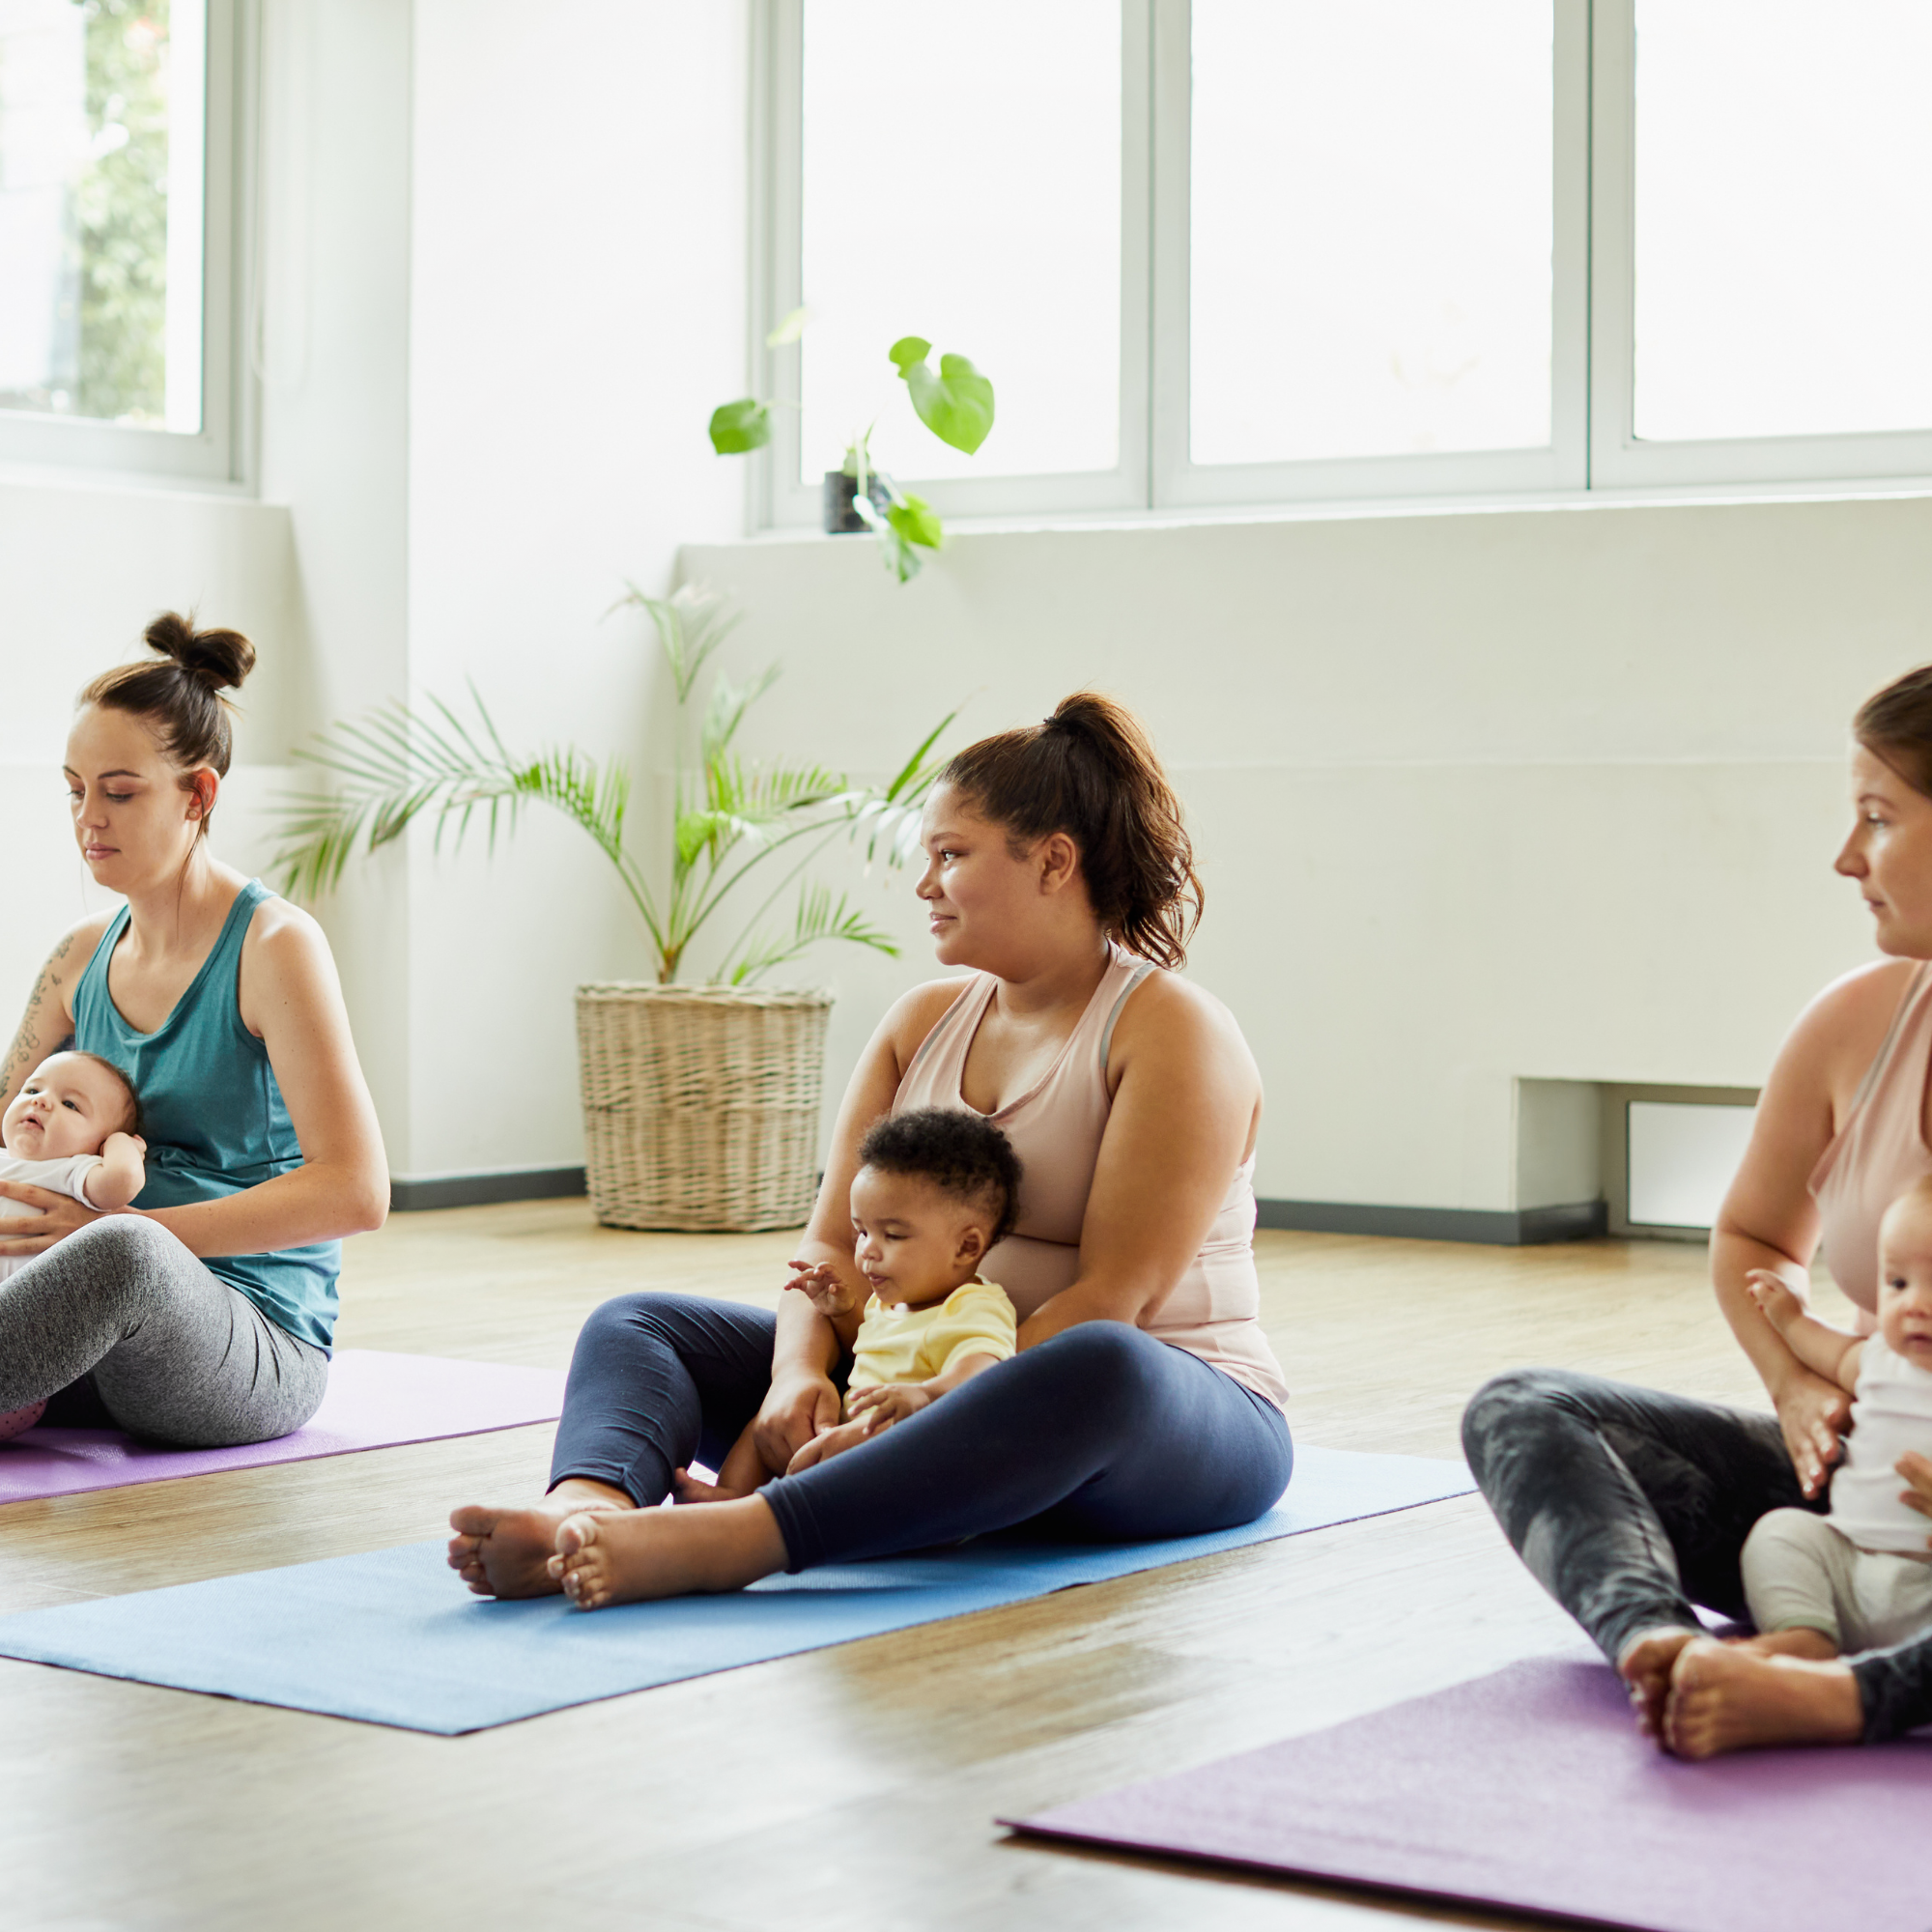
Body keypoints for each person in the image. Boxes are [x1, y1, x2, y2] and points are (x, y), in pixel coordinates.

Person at [450, 691, 1293, 1606]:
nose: (925, 884)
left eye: (951, 855)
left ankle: (737, 1539)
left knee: (1099, 1364)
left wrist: (934, 1409)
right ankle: (585, 1514)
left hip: (1149, 1419)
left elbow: (1115, 1299)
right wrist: (799, 1375)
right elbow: (826, 1248)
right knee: (641, 1324)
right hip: (904, 1386)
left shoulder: (1172, 1032)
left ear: (1054, 862)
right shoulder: (919, 1024)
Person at [1463, 661, 1932, 1759]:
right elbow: (1753, 1239)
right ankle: (1664, 1653)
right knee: (1523, 1409)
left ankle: (1837, 1698)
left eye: (1877, 817)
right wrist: (1794, 1384)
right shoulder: (1852, 1025)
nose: (1845, 856)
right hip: (1860, 1494)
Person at [0, 612, 388, 1447]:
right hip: (79, 1336)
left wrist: (114, 1229)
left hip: (250, 1339)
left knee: (128, 1254)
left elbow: (357, 1193)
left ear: (199, 795)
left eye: (120, 792)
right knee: (114, 1255)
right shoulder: (78, 955)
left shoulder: (276, 948)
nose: (88, 818)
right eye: (75, 790)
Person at [670, 1107, 1020, 1513]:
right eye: (862, 1231)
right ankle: (733, 1494)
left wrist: (923, 1395)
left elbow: (983, 1374)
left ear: (966, 1247)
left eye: (892, 1235)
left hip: (910, 1451)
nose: (868, 1249)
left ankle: (764, 1516)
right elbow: (871, 1347)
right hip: (852, 1428)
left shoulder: (972, 1306)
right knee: (774, 1416)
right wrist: (840, 1311)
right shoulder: (893, 1301)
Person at [1735, 1177, 1932, 1661]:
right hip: (1848, 1566)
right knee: (1781, 1534)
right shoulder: (1880, 1359)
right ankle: (1805, 1634)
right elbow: (1832, 1351)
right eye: (1898, 1283)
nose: (1915, 1306)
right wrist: (1791, 1318)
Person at [0, 1050, 148, 1438]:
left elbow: (122, 1182)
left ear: (97, 1148)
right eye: (32, 1089)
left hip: (16, 1355)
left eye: (70, 1104)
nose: (41, 1101)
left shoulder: (71, 1171)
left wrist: (122, 1145)